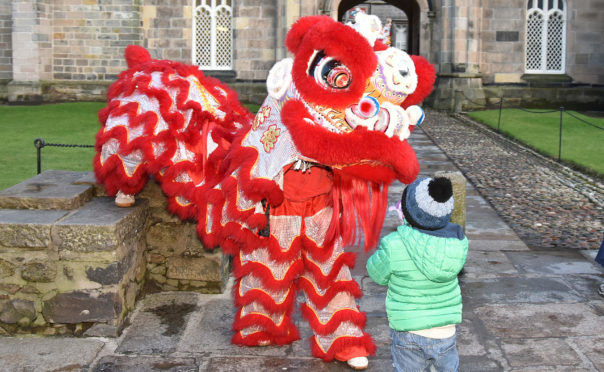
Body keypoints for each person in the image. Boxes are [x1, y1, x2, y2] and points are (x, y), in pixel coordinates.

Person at [366, 176, 468, 372]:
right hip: (445, 331)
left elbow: (376, 273)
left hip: (408, 330)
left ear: (408, 212)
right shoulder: (458, 244)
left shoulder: (395, 243)